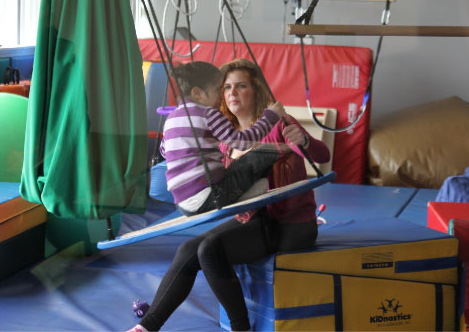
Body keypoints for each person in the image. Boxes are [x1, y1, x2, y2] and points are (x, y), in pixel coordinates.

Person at [127, 58, 330, 332]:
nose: (232, 93)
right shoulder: (220, 137)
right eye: (227, 87)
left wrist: (304, 142)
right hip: (252, 220)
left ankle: (240, 328)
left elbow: (322, 156)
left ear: (256, 89)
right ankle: (147, 326)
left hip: (289, 224)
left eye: (241, 86)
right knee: (188, 249)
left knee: (210, 249)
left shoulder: (279, 123)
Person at [158, 61, 285, 217]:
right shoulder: (208, 113)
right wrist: (270, 117)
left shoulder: (171, 118)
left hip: (183, 205)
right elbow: (243, 142)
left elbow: (164, 151)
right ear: (198, 93)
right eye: (219, 89)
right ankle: (242, 196)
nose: (222, 96)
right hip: (211, 196)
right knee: (267, 151)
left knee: (237, 171)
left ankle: (242, 194)